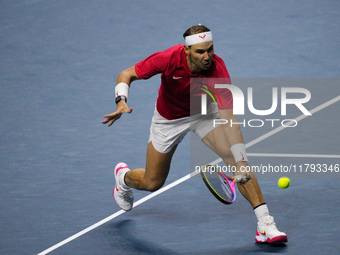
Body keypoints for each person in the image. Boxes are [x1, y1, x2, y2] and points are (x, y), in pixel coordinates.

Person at [102, 25, 287, 244]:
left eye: (210, 49)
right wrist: (121, 100)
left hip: (204, 113)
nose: (207, 56)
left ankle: (265, 224)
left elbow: (229, 120)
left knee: (235, 159)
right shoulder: (168, 58)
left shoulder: (218, 71)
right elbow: (127, 74)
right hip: (168, 119)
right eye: (200, 51)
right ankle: (123, 178)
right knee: (152, 183)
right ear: (187, 50)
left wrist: (242, 158)